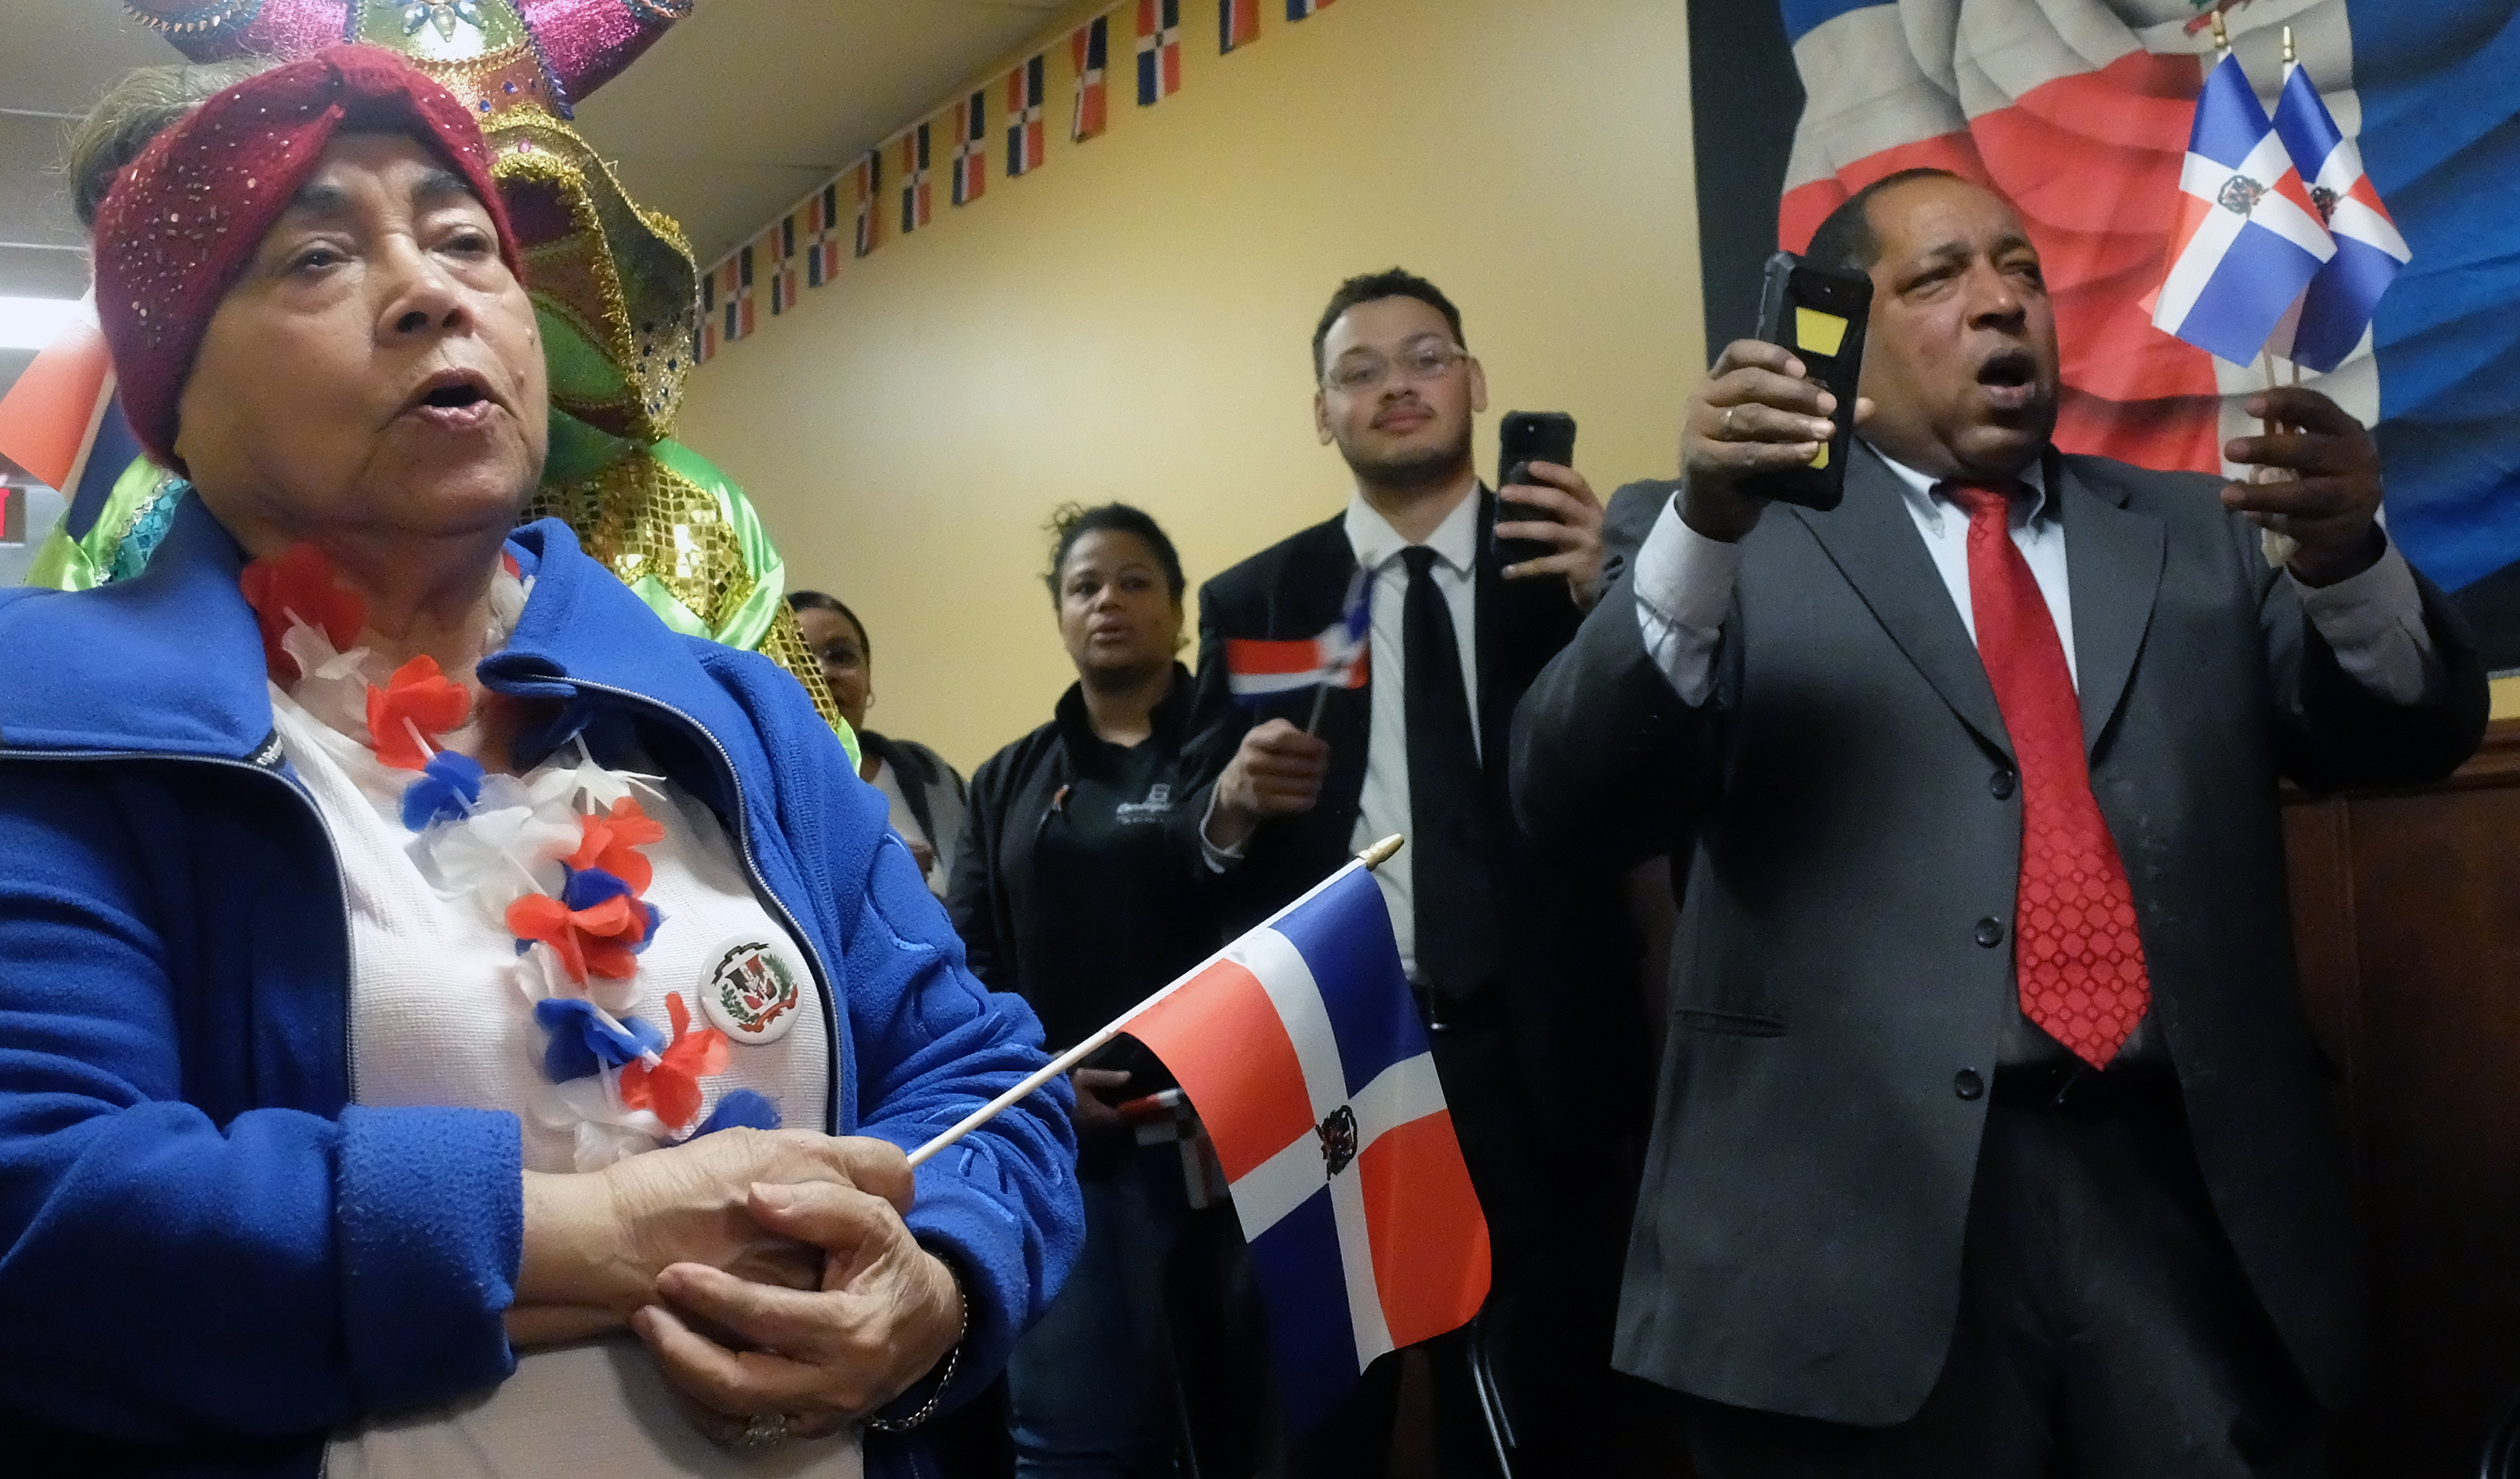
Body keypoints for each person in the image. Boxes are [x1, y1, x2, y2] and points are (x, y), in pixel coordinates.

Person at [0, 49, 1079, 1479]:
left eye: (465, 243)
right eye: (317, 253)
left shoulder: (731, 716)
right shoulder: (54, 714)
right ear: (175, 395)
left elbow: (978, 1068)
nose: (431, 291)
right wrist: (592, 1237)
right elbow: (50, 1205)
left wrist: (937, 1279)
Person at [1509, 168, 2490, 1474]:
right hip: (1850, 1229)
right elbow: (1570, 796)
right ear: (1846, 328)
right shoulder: (1724, 535)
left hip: (2177, 1204)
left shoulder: (2203, 535)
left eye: (2019, 269)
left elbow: (2407, 737)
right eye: (1940, 277)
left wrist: (2349, 566)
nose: (2000, 303)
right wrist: (1704, 522)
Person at [1182, 269, 1656, 1476]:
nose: (1397, 384)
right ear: (1322, 411)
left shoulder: (1569, 565)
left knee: (1570, 1398)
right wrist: (1232, 803)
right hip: (1345, 1050)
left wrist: (1614, 595)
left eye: (1427, 356)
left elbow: (1664, 769)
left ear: (1477, 383)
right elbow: (1195, 831)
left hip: (1545, 1044)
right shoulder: (1261, 599)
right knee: (1334, 1408)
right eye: (1361, 369)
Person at [950, 503, 1236, 1478]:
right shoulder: (1007, 784)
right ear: (1062, 616)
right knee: (1070, 1437)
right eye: (1084, 586)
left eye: (1134, 580)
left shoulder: (1239, 756)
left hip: (1230, 1145)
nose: (1108, 600)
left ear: (1179, 609)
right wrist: (1041, 1084)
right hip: (1065, 1148)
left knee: (1239, 1421)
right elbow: (972, 962)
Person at [790, 590, 969, 897]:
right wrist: (877, 875)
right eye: (797, 659)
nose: (822, 673)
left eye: (841, 656)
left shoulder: (932, 777)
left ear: (868, 677)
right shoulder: (749, 798)